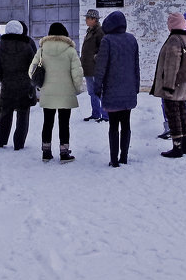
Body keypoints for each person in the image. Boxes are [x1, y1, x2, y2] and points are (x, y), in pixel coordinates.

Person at [92, 10, 140, 167]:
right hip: (128, 90)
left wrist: (97, 87)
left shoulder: (107, 41)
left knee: (113, 126)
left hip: (112, 90)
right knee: (126, 124)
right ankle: (124, 157)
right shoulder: (132, 40)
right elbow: (136, 67)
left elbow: (101, 67)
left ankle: (114, 160)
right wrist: (136, 87)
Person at [32, 22, 84, 162]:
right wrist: (78, 88)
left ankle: (46, 152)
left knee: (47, 122)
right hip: (65, 92)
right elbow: (77, 73)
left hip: (47, 92)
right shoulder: (70, 51)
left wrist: (39, 84)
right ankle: (64, 152)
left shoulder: (42, 50)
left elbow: (32, 69)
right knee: (64, 122)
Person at [151, 11, 186, 158]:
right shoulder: (185, 39)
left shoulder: (174, 40)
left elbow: (172, 66)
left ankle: (177, 147)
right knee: (182, 115)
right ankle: (185, 145)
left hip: (173, 85)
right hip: (183, 85)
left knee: (173, 115)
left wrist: (168, 87)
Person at [0, 20, 37, 149]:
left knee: (5, 113)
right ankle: (19, 143)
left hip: (8, 85)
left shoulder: (1, 46)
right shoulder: (27, 46)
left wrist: (4, 79)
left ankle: (1, 141)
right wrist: (30, 81)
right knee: (23, 115)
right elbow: (33, 67)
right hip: (24, 85)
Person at [79, 9, 106, 123]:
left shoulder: (100, 32)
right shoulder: (90, 31)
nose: (86, 20)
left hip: (95, 68)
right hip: (88, 68)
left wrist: (95, 58)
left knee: (99, 92)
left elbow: (103, 49)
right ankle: (95, 113)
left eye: (88, 18)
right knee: (91, 92)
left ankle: (105, 115)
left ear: (94, 19)